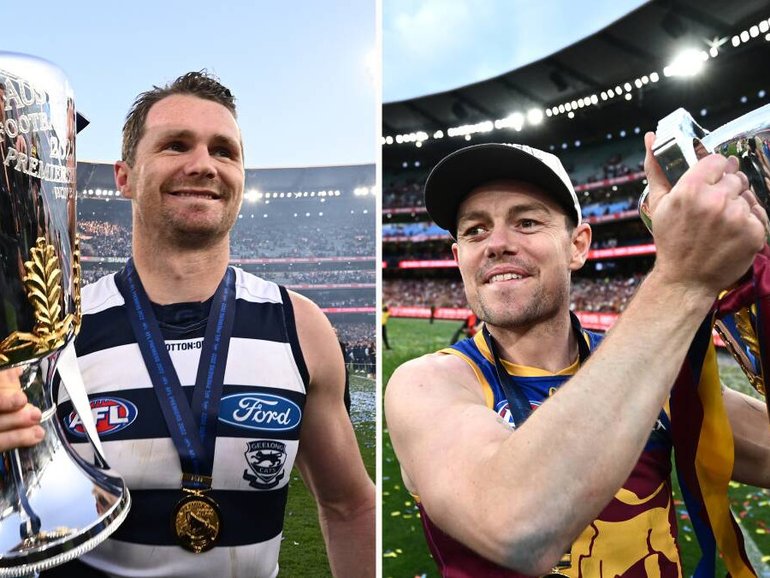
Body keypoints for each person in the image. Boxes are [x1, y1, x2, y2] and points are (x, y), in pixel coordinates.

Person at [0, 71, 374, 578]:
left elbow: (351, 505)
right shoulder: (59, 331)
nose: (203, 165)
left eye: (224, 151)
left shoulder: (299, 325)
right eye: (176, 145)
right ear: (124, 176)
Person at [384, 140, 770, 577]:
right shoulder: (426, 383)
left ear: (578, 245)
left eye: (526, 221)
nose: (496, 244)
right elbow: (515, 524)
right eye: (475, 230)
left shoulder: (651, 370)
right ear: (459, 259)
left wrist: (761, 287)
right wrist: (682, 280)